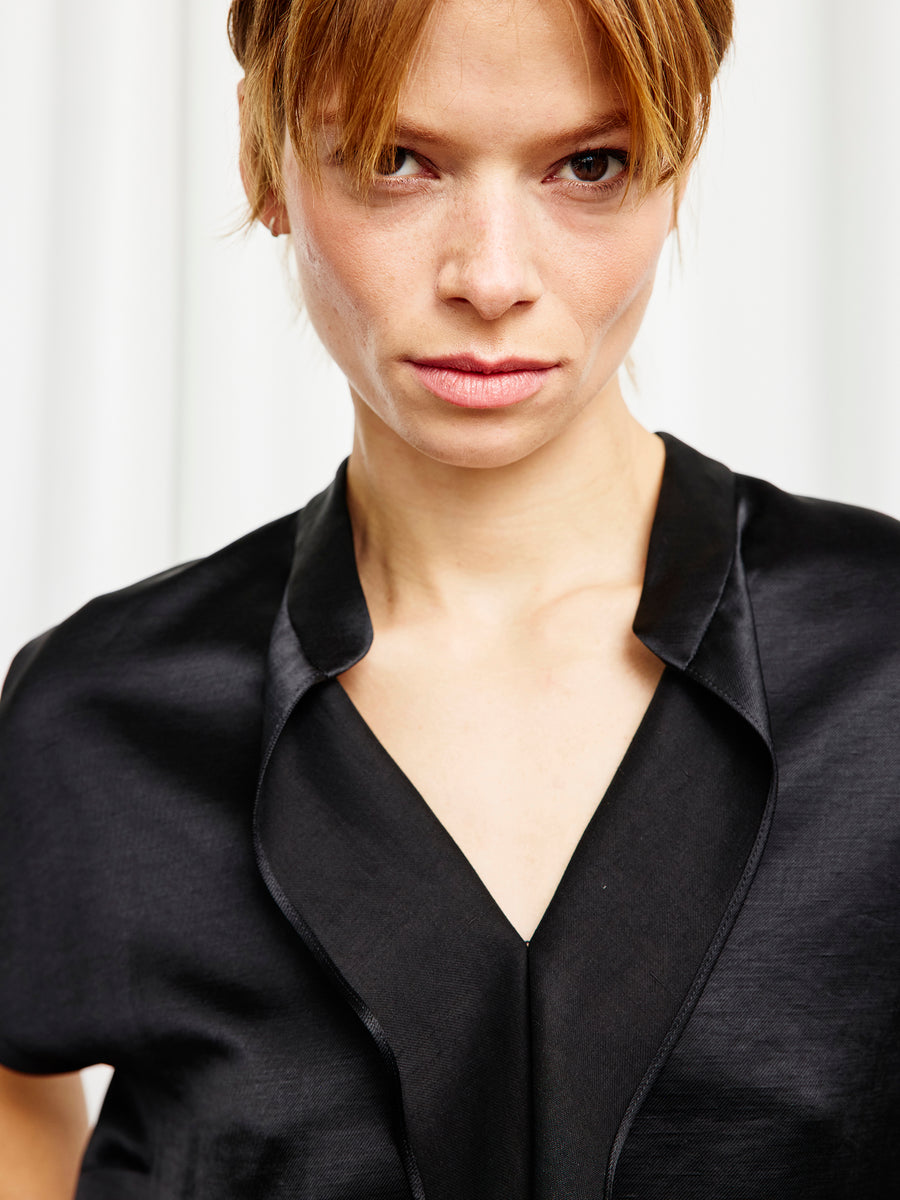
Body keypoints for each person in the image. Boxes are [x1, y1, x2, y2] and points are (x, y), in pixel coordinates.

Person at [0, 0, 897, 1196]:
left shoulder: (883, 663)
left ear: (678, 166)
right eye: (394, 160)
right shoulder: (97, 712)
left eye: (591, 165)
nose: (491, 276)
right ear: (267, 165)